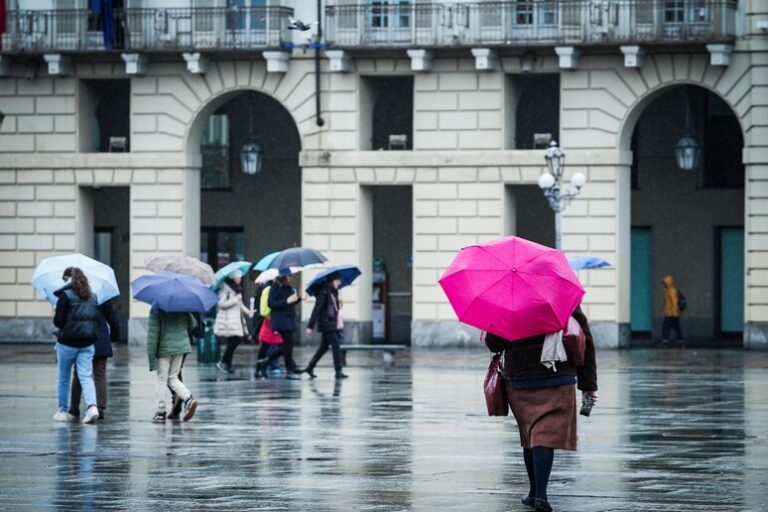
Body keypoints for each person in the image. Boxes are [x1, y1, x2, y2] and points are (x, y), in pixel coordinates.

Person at [484, 306, 598, 512]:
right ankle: (540, 495)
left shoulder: (509, 298)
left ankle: (535, 492)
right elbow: (584, 337)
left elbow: (494, 343)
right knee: (543, 435)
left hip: (519, 378)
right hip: (557, 374)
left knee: (530, 434)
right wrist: (588, 385)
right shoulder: (561, 294)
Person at [52, 267, 102, 424]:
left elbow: (58, 322)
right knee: (86, 377)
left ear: (68, 279)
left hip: (67, 342)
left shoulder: (65, 296)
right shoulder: (92, 296)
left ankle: (62, 411)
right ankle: (92, 407)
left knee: (64, 378)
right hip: (87, 343)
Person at [69, 295, 120, 421]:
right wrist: (113, 337)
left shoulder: (76, 295)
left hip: (82, 337)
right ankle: (100, 408)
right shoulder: (103, 295)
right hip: (100, 338)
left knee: (78, 374)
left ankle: (74, 408)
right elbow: (113, 320)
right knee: (100, 374)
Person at [146, 309, 199, 423]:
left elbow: (153, 335)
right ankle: (188, 399)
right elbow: (193, 324)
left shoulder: (156, 309)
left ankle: (160, 412)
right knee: (173, 377)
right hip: (181, 347)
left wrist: (151, 358)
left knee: (162, 379)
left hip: (164, 349)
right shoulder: (181, 307)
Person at [255, 269, 304, 380]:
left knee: (287, 347)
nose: (291, 278)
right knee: (287, 346)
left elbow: (290, 303)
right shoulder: (275, 287)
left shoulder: (289, 289)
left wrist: (298, 298)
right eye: (289, 276)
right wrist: (287, 301)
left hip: (289, 320)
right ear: (284, 277)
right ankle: (289, 370)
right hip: (281, 321)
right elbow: (271, 304)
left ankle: (266, 362)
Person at [303, 273, 348, 380]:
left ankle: (310, 367)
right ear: (332, 281)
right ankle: (338, 371)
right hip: (326, 324)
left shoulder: (333, 292)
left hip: (332, 323)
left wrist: (339, 303)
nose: (339, 283)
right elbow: (317, 309)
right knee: (336, 346)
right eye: (338, 281)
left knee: (323, 347)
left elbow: (333, 309)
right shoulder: (323, 292)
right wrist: (310, 326)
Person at [214, 269, 251, 374]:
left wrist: (248, 312)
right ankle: (222, 362)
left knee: (232, 341)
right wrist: (235, 299)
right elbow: (221, 304)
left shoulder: (236, 289)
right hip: (228, 320)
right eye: (238, 277)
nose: (240, 279)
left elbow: (240, 304)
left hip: (235, 320)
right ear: (233, 278)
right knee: (236, 340)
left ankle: (227, 365)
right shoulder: (225, 289)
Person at [661, 275, 684, 348]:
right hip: (671, 313)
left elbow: (674, 302)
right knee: (677, 328)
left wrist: (674, 313)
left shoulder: (671, 291)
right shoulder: (669, 290)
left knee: (666, 327)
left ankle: (665, 342)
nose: (664, 285)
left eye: (665, 283)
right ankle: (680, 342)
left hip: (670, 313)